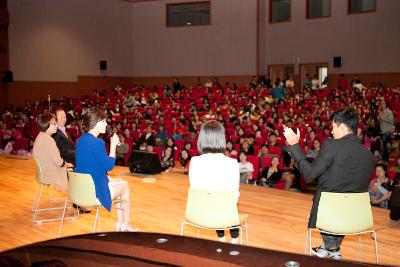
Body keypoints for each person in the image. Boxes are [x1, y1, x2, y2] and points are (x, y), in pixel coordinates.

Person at [283, 107, 374, 260]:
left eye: (333, 127)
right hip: (356, 218)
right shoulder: (368, 155)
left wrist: (295, 147)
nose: (331, 131)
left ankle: (332, 248)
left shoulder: (332, 145)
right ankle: (330, 247)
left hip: (329, 216)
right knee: (339, 195)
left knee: (327, 197)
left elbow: (310, 175)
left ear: (342, 126)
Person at [75, 109, 138, 232]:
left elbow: (92, 166)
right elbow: (109, 166)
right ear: (96, 123)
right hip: (94, 191)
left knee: (119, 181)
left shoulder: (81, 140)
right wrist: (113, 145)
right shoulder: (98, 142)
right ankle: (126, 224)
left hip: (83, 188)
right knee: (125, 186)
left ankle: (120, 224)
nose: (106, 124)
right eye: (103, 121)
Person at [189, 120, 240, 244]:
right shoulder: (231, 163)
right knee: (228, 202)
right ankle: (234, 240)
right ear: (221, 138)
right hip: (223, 216)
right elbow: (234, 198)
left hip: (198, 214)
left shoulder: (194, 161)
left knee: (214, 198)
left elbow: (195, 189)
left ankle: (221, 238)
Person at [32, 113, 73, 191]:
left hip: (44, 173)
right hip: (50, 174)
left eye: (56, 123)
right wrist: (69, 164)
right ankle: (78, 198)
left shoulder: (41, 136)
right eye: (54, 124)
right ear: (46, 125)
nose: (56, 126)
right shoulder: (48, 140)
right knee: (77, 172)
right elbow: (60, 163)